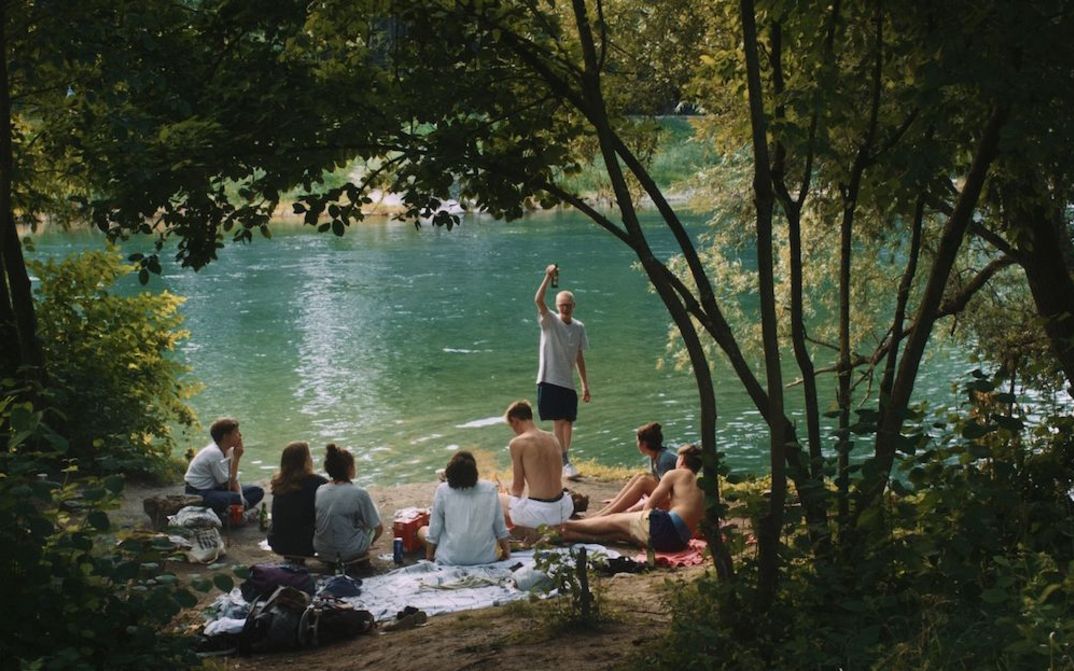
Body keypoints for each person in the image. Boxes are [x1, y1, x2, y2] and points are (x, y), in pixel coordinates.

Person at [560, 444, 704, 553]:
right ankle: (568, 535)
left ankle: (560, 526)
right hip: (676, 543)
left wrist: (634, 514)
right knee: (617, 533)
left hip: (663, 527)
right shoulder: (701, 488)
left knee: (612, 520)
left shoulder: (676, 474)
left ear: (682, 460)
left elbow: (650, 505)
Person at [534, 263, 591, 480]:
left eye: (568, 305)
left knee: (568, 422)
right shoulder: (550, 321)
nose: (564, 308)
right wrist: (548, 277)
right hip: (549, 378)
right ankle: (563, 460)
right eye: (561, 305)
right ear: (557, 306)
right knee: (559, 421)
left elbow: (579, 356)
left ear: (573, 305)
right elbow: (538, 300)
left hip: (567, 382)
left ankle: (563, 458)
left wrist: (585, 384)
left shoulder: (579, 327)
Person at [417, 451, 511, 565]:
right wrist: (506, 551)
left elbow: (434, 530)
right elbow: (499, 526)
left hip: (451, 559)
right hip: (486, 558)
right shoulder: (490, 489)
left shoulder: (442, 490)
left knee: (422, 531)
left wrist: (429, 557)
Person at [501, 400, 574, 533]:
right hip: (564, 509)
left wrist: (510, 499)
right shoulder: (552, 437)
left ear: (515, 420)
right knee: (522, 501)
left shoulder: (517, 443)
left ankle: (516, 531)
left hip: (540, 516)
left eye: (511, 426)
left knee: (494, 498)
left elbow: (518, 486)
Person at [591, 422, 679, 517]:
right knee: (640, 476)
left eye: (637, 441)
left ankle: (607, 514)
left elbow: (667, 494)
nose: (636, 444)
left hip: (675, 505)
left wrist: (639, 507)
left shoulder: (665, 460)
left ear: (644, 444)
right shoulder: (656, 455)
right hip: (668, 499)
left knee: (643, 481)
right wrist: (621, 501)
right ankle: (611, 507)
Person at [314, 443, 383, 563]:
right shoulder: (359, 493)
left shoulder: (320, 490)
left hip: (322, 550)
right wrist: (369, 542)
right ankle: (360, 550)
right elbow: (378, 528)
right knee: (372, 518)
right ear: (349, 468)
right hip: (349, 552)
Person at [184, 417, 264, 518]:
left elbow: (234, 481)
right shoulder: (214, 453)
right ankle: (229, 514)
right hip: (199, 493)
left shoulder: (227, 450)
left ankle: (235, 510)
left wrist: (241, 497)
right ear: (226, 437)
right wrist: (237, 459)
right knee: (234, 498)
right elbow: (229, 484)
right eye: (236, 432)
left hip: (217, 489)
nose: (240, 435)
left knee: (257, 491)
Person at [267, 441, 328, 558]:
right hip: (306, 545)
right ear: (305, 461)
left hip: (278, 544)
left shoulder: (279, 483)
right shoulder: (318, 483)